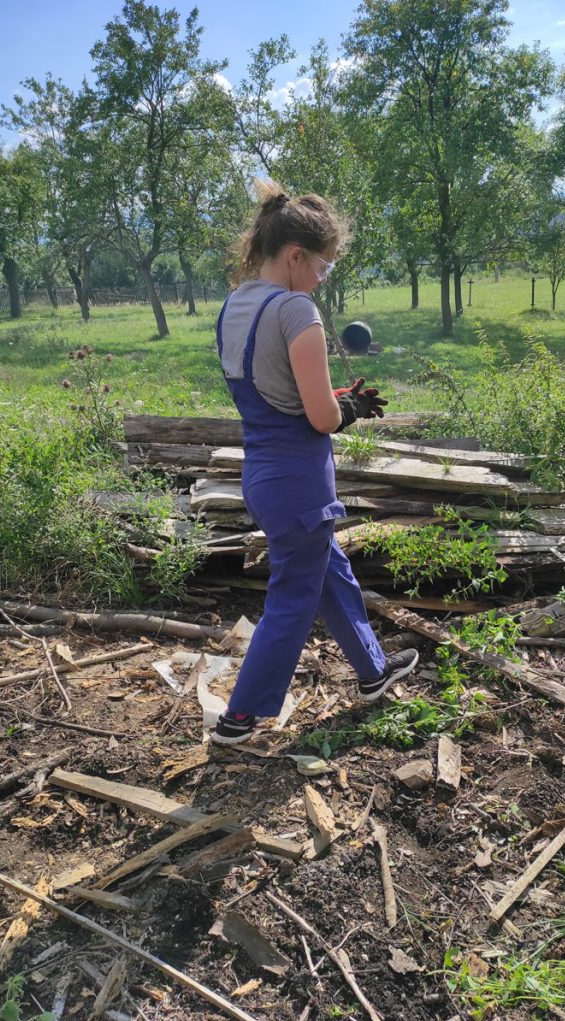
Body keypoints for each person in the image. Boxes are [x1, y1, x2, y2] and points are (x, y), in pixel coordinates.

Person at [210, 184, 419, 745]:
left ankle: (373, 671)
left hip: (262, 471)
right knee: (293, 597)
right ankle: (241, 716)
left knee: (331, 574)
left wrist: (332, 400)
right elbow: (321, 417)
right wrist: (346, 407)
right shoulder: (296, 309)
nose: (324, 278)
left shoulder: (237, 303)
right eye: (323, 265)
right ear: (295, 254)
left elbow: (278, 390)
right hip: (300, 482)